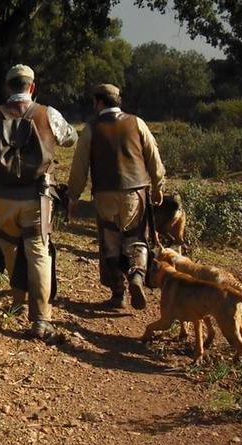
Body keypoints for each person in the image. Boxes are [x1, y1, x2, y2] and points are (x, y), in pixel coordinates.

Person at [0, 64, 77, 339]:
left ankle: (18, 301)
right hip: (37, 196)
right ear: (32, 87)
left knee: (10, 246)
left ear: (8, 87)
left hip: (2, 197)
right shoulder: (48, 113)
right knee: (38, 252)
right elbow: (70, 138)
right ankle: (41, 319)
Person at [67, 83, 165, 309]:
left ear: (98, 102)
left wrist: (73, 197)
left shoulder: (91, 129)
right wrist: (158, 184)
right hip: (135, 192)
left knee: (110, 242)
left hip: (104, 194)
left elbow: (79, 167)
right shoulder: (137, 122)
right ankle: (137, 277)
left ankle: (118, 293)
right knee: (136, 237)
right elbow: (153, 156)